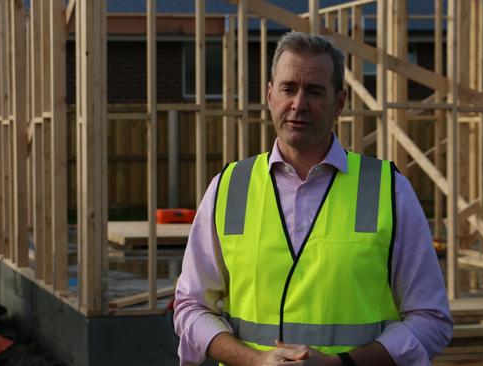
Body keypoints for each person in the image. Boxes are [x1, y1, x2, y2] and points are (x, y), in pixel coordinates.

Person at [174, 31, 452, 366]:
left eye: (315, 91)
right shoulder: (229, 187)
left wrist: (341, 364)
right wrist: (254, 361)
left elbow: (430, 320)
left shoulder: (389, 191)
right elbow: (191, 306)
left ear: (339, 103)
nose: (299, 104)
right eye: (288, 88)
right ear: (270, 94)